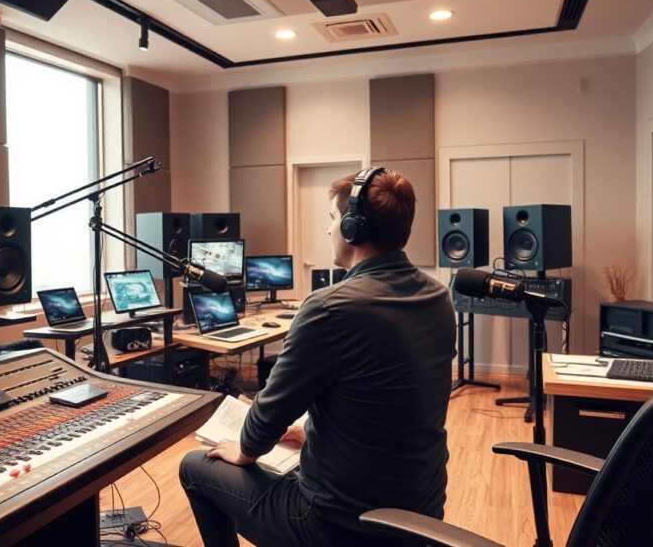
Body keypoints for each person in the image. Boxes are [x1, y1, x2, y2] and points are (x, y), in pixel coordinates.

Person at [179, 168, 456, 546]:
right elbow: (385, 402)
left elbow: (267, 418)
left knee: (194, 466)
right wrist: (309, 431)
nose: (329, 230)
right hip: (421, 512)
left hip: (341, 527)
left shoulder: (329, 308)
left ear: (353, 228)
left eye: (332, 218)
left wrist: (244, 452)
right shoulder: (438, 297)